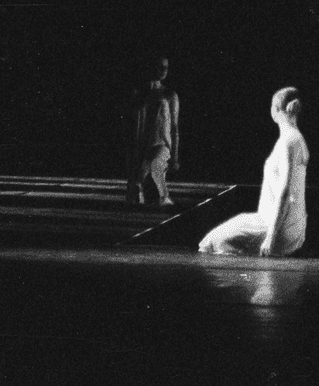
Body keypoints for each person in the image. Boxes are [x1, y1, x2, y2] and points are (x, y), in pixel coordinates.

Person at [198, 87, 309, 257]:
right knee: (236, 222)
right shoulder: (292, 139)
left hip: (278, 228)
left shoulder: (290, 141)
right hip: (281, 223)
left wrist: (270, 237)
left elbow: (285, 191)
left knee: (210, 243)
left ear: (275, 109)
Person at [127, 57, 180, 207]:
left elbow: (174, 127)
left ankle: (163, 197)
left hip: (161, 144)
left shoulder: (169, 94)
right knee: (139, 181)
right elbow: (131, 122)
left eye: (166, 67)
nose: (163, 70)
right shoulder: (138, 94)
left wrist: (175, 155)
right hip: (142, 145)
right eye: (159, 67)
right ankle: (157, 200)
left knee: (155, 167)